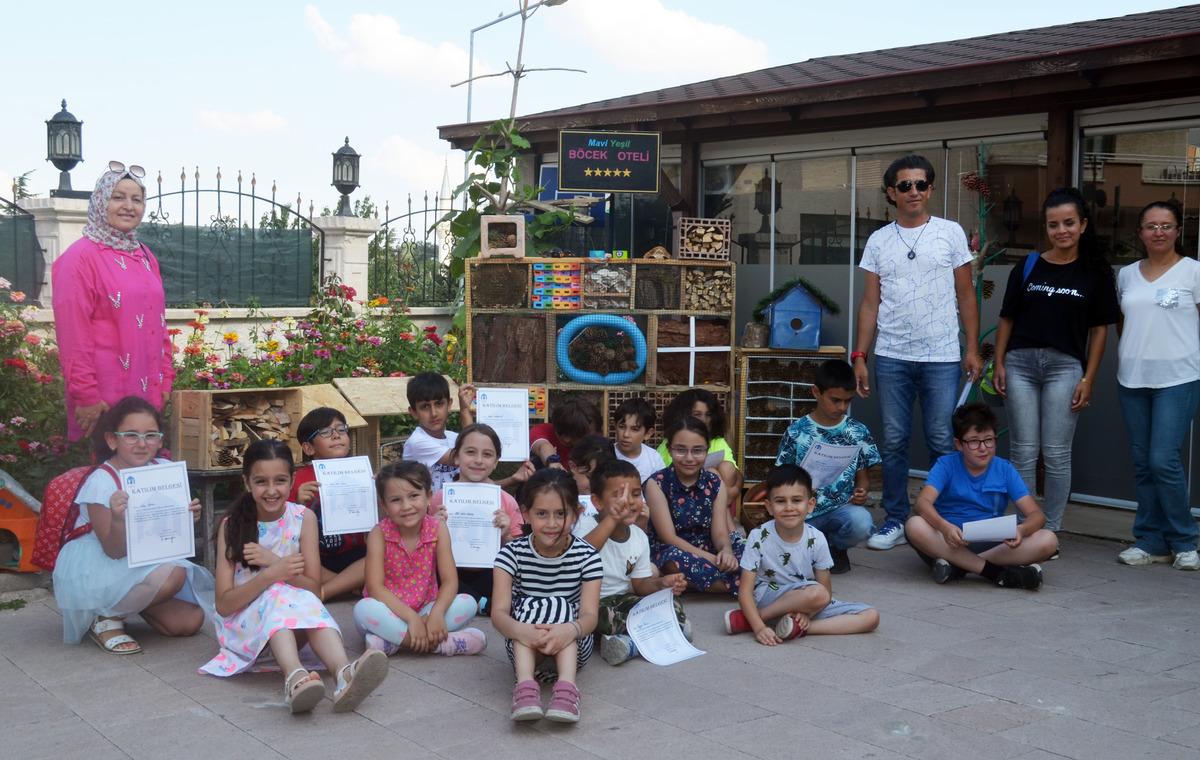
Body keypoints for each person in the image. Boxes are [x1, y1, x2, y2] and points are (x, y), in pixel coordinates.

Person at [200, 440, 388, 715]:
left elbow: (313, 589)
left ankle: (344, 672)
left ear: (292, 482)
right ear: (247, 482)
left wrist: (274, 563)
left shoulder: (303, 518)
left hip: (295, 625)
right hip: (244, 629)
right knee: (277, 592)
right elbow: (224, 605)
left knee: (292, 594)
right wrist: (272, 575)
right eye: (261, 481)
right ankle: (294, 677)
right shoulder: (233, 525)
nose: (272, 490)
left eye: (280, 480)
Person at [853, 154, 980, 551]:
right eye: (905, 185)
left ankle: (949, 519)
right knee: (893, 440)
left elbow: (966, 294)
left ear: (930, 188)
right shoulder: (878, 240)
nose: (914, 192)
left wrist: (972, 347)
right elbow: (870, 303)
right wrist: (860, 355)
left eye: (921, 184)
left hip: (941, 354)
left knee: (942, 438)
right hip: (891, 354)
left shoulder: (950, 232)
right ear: (891, 192)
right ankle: (895, 519)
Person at [993, 188, 1120, 536]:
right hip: (1020, 364)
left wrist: (1088, 378)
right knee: (1023, 451)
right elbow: (1007, 318)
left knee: (1056, 453)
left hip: (1066, 367)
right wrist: (1000, 362)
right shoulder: (1030, 265)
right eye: (1053, 225)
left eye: (1068, 223)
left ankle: (1049, 529)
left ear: (1082, 225)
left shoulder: (1095, 273)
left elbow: (1099, 332)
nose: (1061, 230)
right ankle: (1021, 527)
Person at [52, 396, 213, 653]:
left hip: (144, 556)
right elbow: (113, 550)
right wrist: (117, 518)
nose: (141, 444)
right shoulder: (101, 482)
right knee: (175, 574)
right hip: (103, 563)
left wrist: (186, 517)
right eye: (131, 435)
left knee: (189, 622)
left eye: (150, 435)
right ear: (112, 440)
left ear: (160, 440)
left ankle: (135, 602)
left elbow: (164, 527)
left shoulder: (163, 469)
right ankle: (106, 618)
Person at [51, 162, 175, 441]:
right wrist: (86, 395)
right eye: (118, 197)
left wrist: (165, 380)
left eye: (137, 199)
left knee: (142, 478)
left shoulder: (144, 255)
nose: (128, 206)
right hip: (105, 399)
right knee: (110, 477)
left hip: (147, 397)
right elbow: (73, 335)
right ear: (100, 201)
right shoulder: (79, 258)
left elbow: (159, 324)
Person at [1115, 200, 1200, 571]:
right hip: (1132, 379)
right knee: (1142, 463)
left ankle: (1185, 540)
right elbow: (1123, 323)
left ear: (1178, 230)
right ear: (1141, 233)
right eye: (1151, 226)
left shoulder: (1193, 272)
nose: (1159, 232)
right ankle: (1150, 540)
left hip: (1178, 378)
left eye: (1166, 225)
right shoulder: (1126, 275)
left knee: (1162, 458)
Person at [905, 404, 1057, 589]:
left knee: (1048, 540)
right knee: (914, 525)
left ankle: (958, 567)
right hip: (948, 541)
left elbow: (1036, 515)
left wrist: (1022, 530)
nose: (983, 448)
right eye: (974, 441)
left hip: (992, 543)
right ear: (959, 444)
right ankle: (995, 573)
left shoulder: (1004, 469)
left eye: (989, 440)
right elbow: (922, 503)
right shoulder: (946, 465)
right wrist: (944, 528)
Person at [492, 468, 601, 723]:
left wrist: (569, 630)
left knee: (558, 604)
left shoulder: (587, 556)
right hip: (523, 645)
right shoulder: (511, 555)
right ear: (526, 513)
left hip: (572, 645)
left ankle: (566, 688)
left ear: (576, 513)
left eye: (560, 514)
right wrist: (522, 631)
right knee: (534, 603)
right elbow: (498, 613)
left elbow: (589, 616)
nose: (551, 524)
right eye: (542, 514)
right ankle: (526, 686)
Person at [725, 465, 879, 644]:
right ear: (769, 506)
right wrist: (759, 628)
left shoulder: (817, 538)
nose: (789, 507)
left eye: (797, 500)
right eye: (780, 501)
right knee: (817, 593)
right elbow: (744, 591)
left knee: (871, 616)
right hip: (770, 597)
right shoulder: (758, 536)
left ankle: (795, 627)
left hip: (808, 599)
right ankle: (759, 619)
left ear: (810, 505)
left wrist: (807, 614)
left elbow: (826, 590)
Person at [353, 462, 486, 657]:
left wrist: (437, 613)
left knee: (468, 603)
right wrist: (412, 619)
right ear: (384, 505)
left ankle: (392, 643)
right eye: (396, 500)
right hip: (389, 611)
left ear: (429, 497)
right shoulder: (379, 534)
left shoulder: (438, 528)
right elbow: (375, 588)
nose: (406, 506)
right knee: (363, 609)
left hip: (428, 608)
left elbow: (449, 581)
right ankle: (443, 644)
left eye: (414, 496)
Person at [574, 459, 689, 666]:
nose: (628, 502)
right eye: (619, 495)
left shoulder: (639, 537)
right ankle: (661, 630)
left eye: (635, 494)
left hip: (623, 600)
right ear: (598, 502)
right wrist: (612, 519)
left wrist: (663, 584)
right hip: (590, 603)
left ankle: (628, 644)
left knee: (672, 605)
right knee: (603, 616)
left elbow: (640, 585)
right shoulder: (586, 525)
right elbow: (584, 554)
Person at [774, 359, 880, 573]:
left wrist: (862, 492)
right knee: (787, 550)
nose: (841, 407)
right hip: (802, 513)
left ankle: (836, 548)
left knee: (862, 523)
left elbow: (864, 476)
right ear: (816, 392)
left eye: (847, 401)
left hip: (840, 509)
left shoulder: (857, 431)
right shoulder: (797, 431)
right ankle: (812, 551)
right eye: (835, 400)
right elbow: (779, 476)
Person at [428, 424, 525, 609]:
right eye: (471, 452)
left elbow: (519, 553)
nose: (479, 460)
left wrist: (506, 536)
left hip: (491, 573)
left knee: (509, 576)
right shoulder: (440, 498)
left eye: (487, 455)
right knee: (434, 572)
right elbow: (425, 548)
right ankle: (482, 603)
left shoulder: (506, 501)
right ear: (456, 457)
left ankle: (475, 602)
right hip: (452, 573)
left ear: (496, 461)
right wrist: (434, 527)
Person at [645, 416, 744, 595]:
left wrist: (726, 551)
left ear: (707, 452)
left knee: (750, 553)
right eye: (681, 450)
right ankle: (740, 585)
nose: (689, 458)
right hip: (675, 550)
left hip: (709, 546)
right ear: (669, 450)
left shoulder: (715, 483)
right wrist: (713, 560)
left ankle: (698, 582)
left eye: (697, 451)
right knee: (672, 561)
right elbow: (668, 537)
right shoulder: (657, 483)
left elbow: (720, 532)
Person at [290, 407, 367, 600]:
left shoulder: (362, 472)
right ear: (308, 448)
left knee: (380, 557)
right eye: (325, 432)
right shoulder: (298, 479)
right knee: (297, 562)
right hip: (317, 557)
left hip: (355, 554)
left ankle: (326, 591)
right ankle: (350, 585)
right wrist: (297, 503)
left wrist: (379, 490)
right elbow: (284, 526)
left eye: (341, 430)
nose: (336, 436)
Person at [656, 389, 741, 497]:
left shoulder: (717, 442)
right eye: (697, 414)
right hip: (679, 496)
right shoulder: (671, 443)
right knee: (712, 473)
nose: (704, 420)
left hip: (715, 497)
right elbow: (663, 478)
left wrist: (733, 491)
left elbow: (735, 474)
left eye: (708, 414)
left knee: (726, 467)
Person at [402, 372, 475, 493]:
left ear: (449, 404)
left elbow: (477, 454)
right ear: (414, 412)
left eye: (439, 404)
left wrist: (512, 479)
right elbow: (469, 456)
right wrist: (465, 411)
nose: (434, 413)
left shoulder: (454, 438)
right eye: (425, 407)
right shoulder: (417, 442)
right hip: (429, 511)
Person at [530, 396, 603, 469]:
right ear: (567, 438)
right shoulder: (542, 430)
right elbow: (542, 446)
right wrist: (553, 462)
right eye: (586, 436)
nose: (592, 440)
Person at [612, 397, 666, 483]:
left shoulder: (654, 459)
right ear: (615, 426)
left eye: (634, 429)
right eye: (622, 427)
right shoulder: (606, 454)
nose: (626, 434)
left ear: (648, 433)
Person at [568, 434, 617, 517]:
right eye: (589, 477)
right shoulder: (560, 495)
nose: (596, 485)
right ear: (573, 467)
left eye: (603, 479)